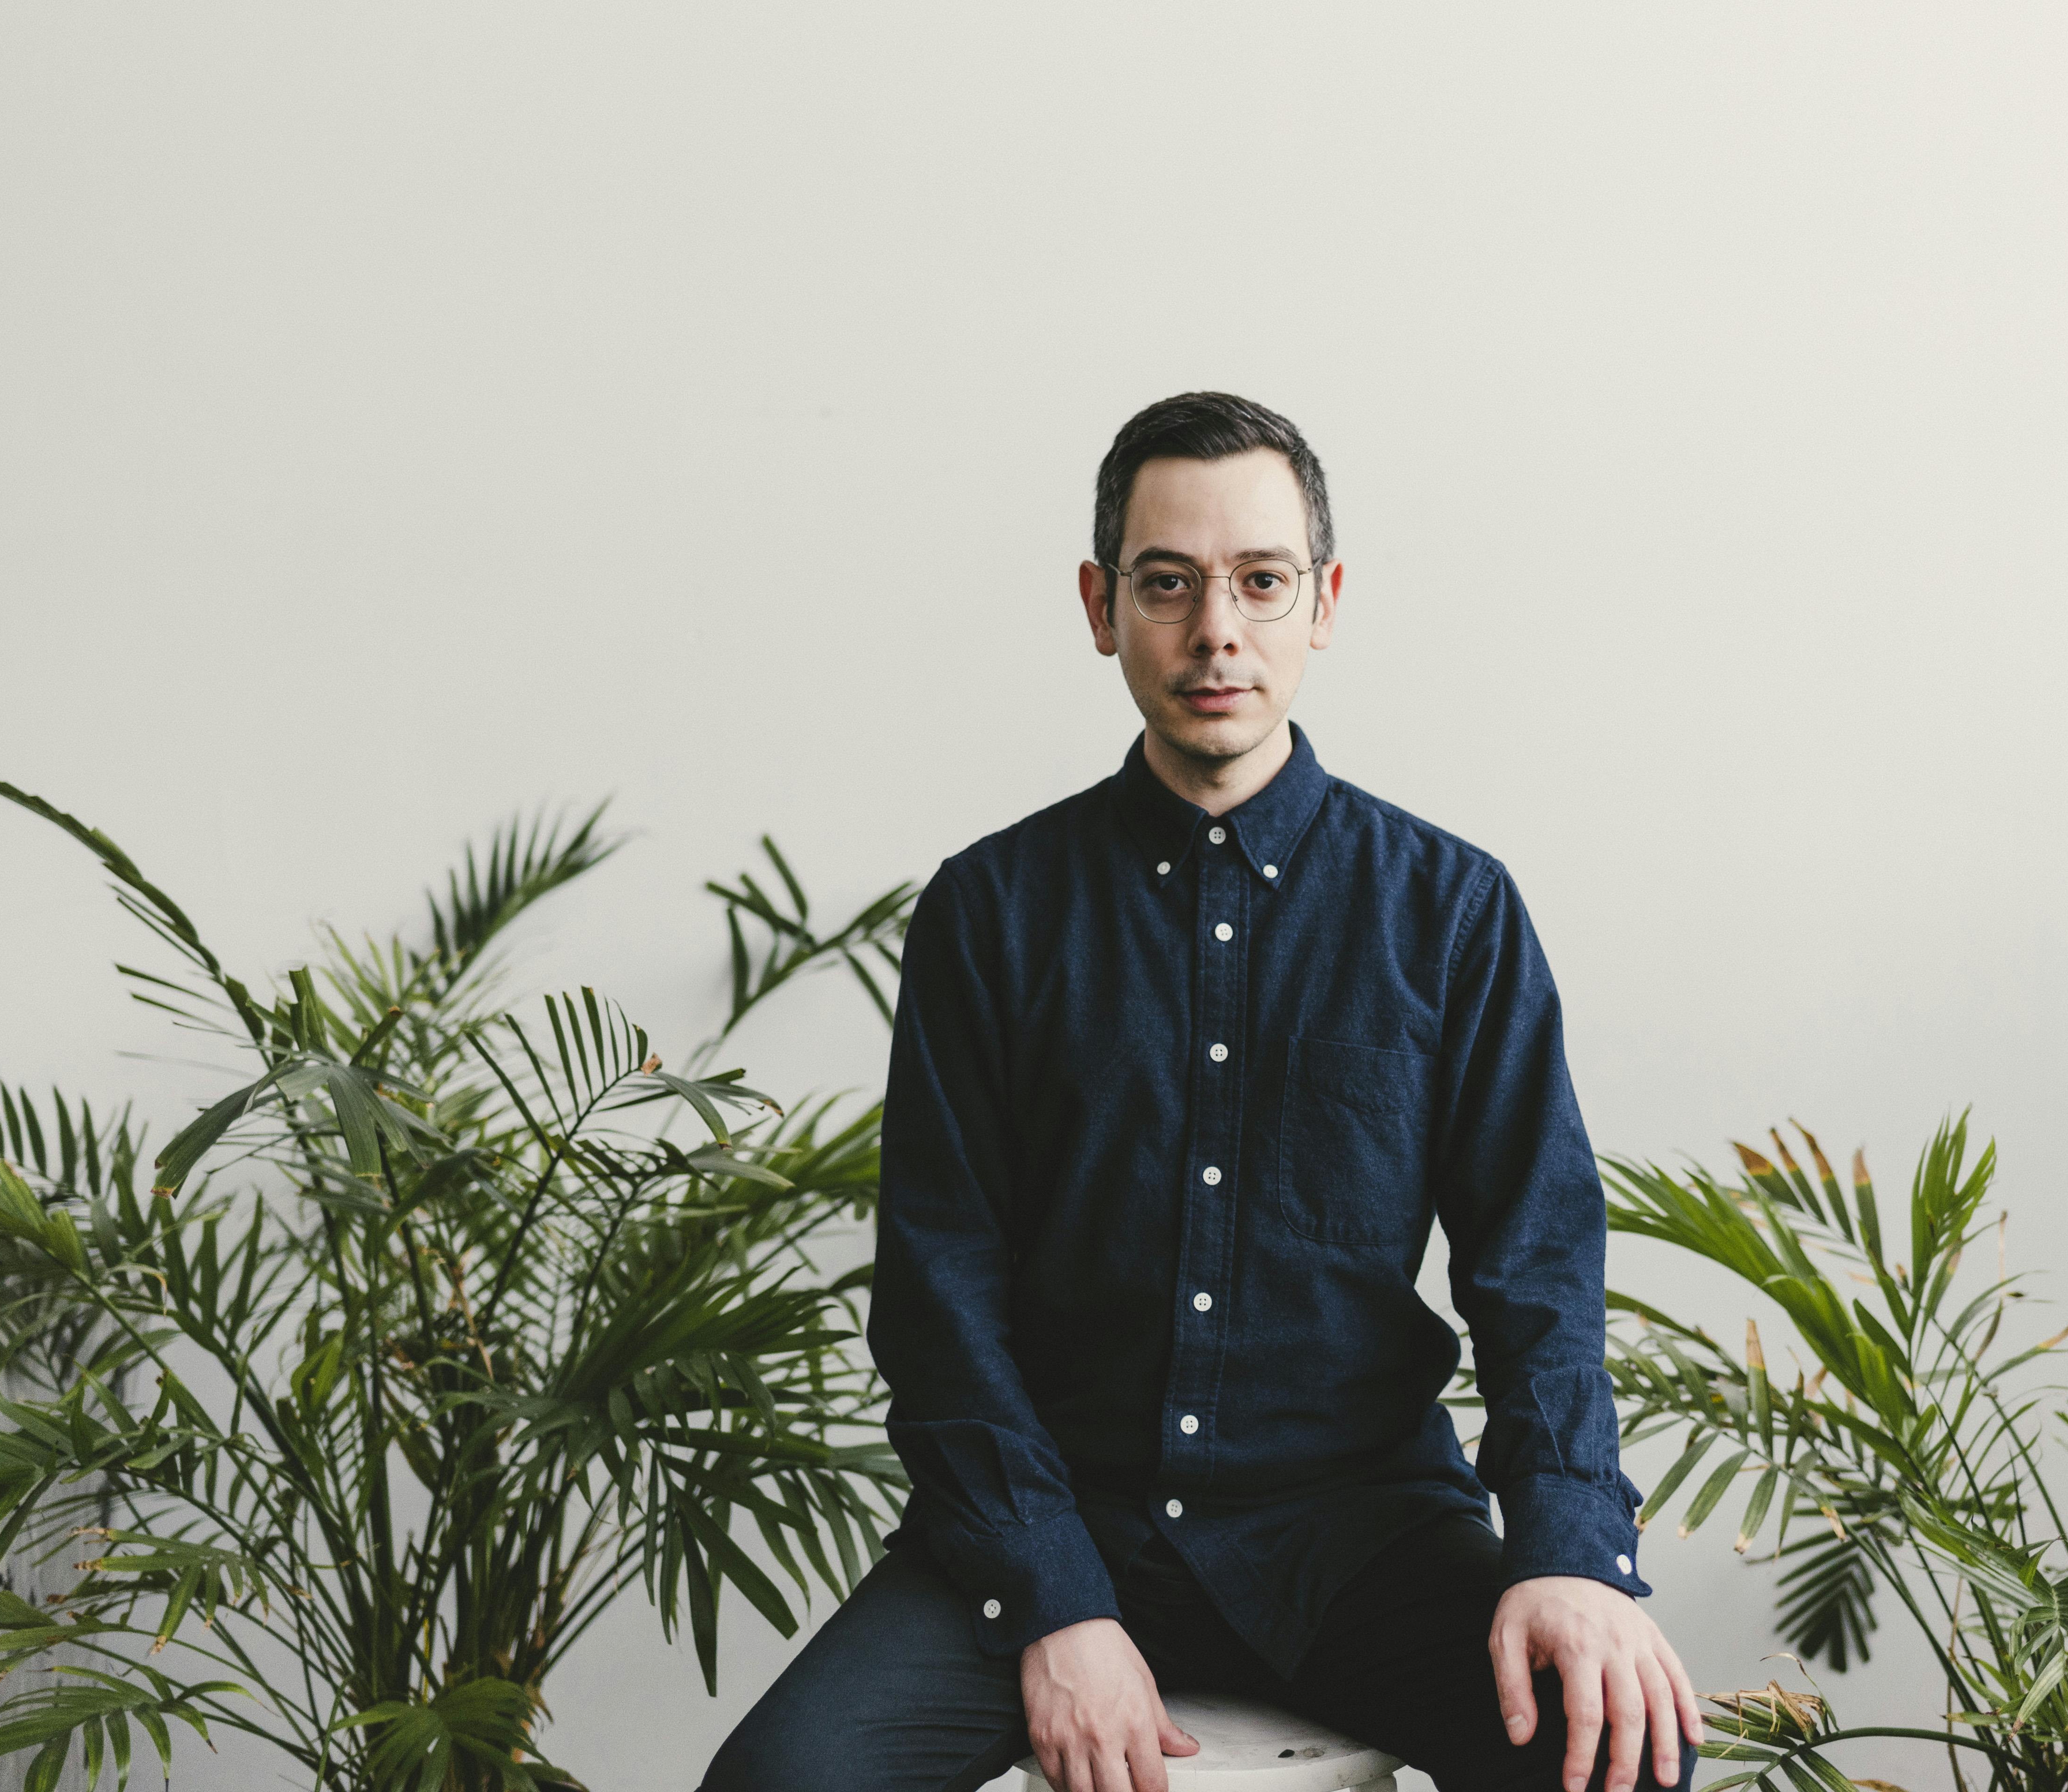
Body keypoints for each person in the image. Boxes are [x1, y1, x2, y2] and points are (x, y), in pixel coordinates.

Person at [698, 393, 1704, 1792]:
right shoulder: (992, 912)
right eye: (1167, 584)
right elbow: (940, 1298)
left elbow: (1537, 1267)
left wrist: (1569, 1551)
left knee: (1624, 1767)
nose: (1215, 631)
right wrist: (1057, 1602)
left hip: (1356, 1534)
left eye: (1261, 581)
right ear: (1101, 606)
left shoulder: (1450, 911)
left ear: (1324, 603)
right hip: (1056, 1513)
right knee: (779, 1786)